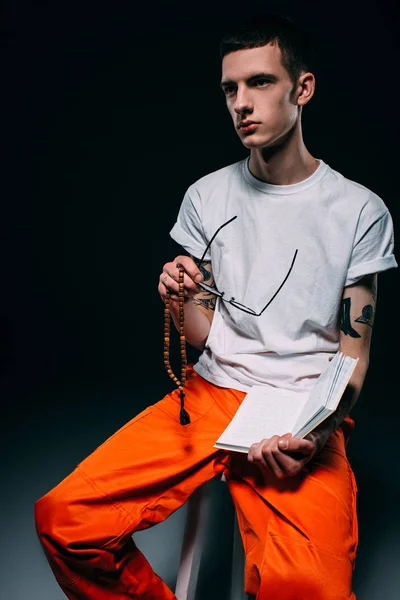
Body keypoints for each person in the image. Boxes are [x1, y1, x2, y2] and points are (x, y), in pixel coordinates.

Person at [35, 13, 397, 600]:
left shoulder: (358, 210)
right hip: (211, 395)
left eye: (259, 83)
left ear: (302, 89)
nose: (241, 104)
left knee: (309, 590)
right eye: (230, 88)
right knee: (65, 519)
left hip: (299, 407)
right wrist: (180, 299)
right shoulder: (207, 196)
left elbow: (352, 355)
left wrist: (313, 432)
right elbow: (204, 336)